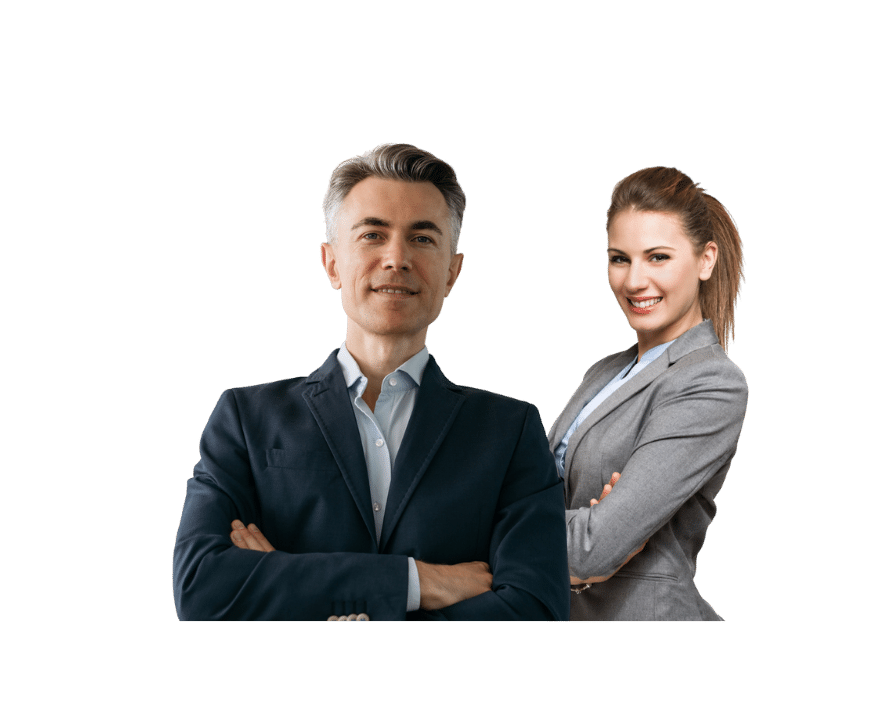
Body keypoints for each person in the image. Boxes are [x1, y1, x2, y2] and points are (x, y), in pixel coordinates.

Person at [172, 143, 569, 621]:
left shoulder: (509, 431)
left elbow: (538, 608)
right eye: (372, 235)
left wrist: (288, 584)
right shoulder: (246, 418)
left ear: (453, 273)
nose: (396, 258)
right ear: (332, 263)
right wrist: (416, 582)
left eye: (422, 239)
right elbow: (201, 589)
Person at [549, 166, 747, 622]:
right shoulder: (605, 371)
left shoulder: (712, 382)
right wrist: (589, 534)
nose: (634, 281)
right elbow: (534, 496)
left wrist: (593, 543)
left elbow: (593, 549)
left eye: (657, 257)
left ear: (705, 259)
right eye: (620, 258)